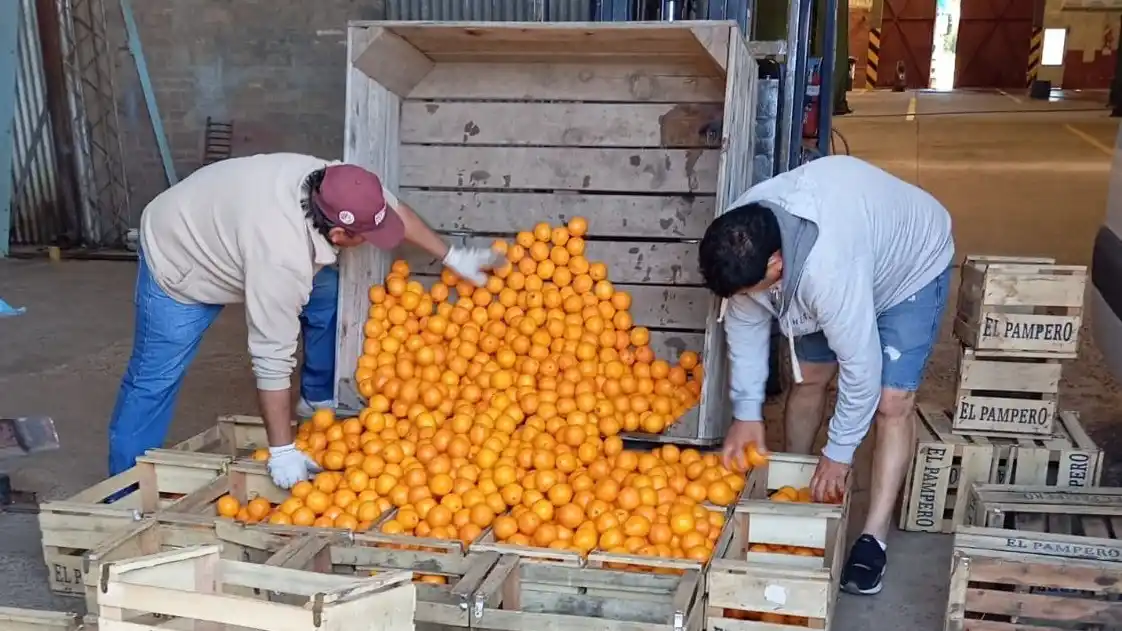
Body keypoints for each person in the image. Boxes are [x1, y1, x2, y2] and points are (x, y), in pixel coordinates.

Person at [108, 153, 501, 489]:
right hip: (181, 254)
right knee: (153, 380)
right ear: (338, 233)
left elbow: (392, 210)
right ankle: (122, 491)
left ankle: (316, 396)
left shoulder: (337, 182)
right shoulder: (282, 259)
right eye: (367, 236)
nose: (374, 240)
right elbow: (271, 357)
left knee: (328, 292)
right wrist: (281, 452)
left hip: (224, 220)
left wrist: (453, 256)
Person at [698, 155, 954, 596]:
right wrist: (746, 412)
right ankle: (793, 491)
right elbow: (744, 325)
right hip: (849, 251)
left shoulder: (827, 271)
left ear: (776, 265)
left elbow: (862, 367)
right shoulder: (740, 240)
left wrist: (839, 451)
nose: (743, 298)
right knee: (809, 378)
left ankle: (873, 538)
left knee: (892, 401)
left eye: (748, 290)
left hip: (910, 264)